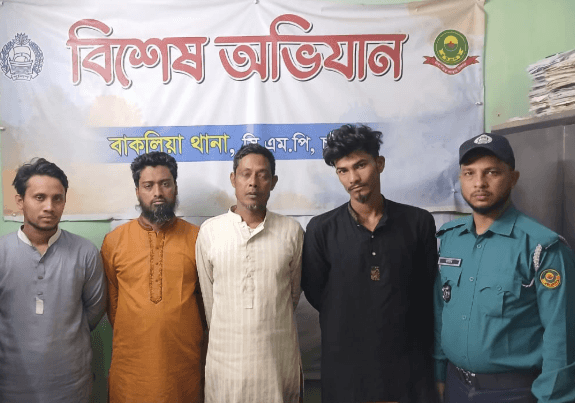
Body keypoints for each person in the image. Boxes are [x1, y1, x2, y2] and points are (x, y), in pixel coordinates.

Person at [301, 124, 439, 403]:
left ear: (380, 163)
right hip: (346, 373)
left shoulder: (418, 222)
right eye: (343, 170)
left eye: (360, 165)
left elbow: (426, 291)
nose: (353, 178)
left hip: (408, 370)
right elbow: (317, 293)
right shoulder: (321, 229)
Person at [434, 133, 575, 403]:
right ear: (460, 179)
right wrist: (439, 374)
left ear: (513, 178)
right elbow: (441, 310)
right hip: (455, 386)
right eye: (469, 173)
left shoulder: (542, 248)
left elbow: (562, 337)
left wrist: (554, 398)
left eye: (492, 172)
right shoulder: (449, 239)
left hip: (513, 392)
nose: (479, 183)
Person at [0, 158, 106, 403]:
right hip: (6, 385)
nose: (49, 207)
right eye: (39, 197)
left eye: (57, 198)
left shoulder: (85, 253)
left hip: (70, 384)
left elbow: (92, 313)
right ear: (20, 201)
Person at [196, 143, 303, 403]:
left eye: (262, 175)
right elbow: (210, 302)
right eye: (245, 174)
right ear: (233, 179)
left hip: (277, 362)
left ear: (273, 182)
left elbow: (291, 295)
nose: (253, 183)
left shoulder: (291, 231)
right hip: (225, 364)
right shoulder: (210, 232)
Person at [100, 151, 205, 403]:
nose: (157, 192)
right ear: (138, 191)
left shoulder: (199, 238)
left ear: (175, 187)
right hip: (131, 370)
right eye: (148, 185)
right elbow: (112, 304)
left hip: (183, 369)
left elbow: (206, 303)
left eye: (165, 184)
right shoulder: (115, 241)